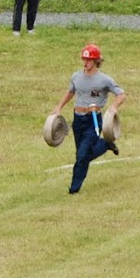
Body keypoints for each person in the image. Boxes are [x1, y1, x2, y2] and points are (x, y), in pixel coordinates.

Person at [51, 43, 127, 194]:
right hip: (78, 120)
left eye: (89, 60)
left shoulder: (104, 80)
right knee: (82, 154)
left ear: (96, 61)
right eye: (84, 59)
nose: (86, 63)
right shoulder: (76, 76)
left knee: (82, 155)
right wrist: (58, 107)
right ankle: (105, 144)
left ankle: (74, 189)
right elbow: (70, 93)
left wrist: (113, 108)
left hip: (93, 119)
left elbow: (121, 95)